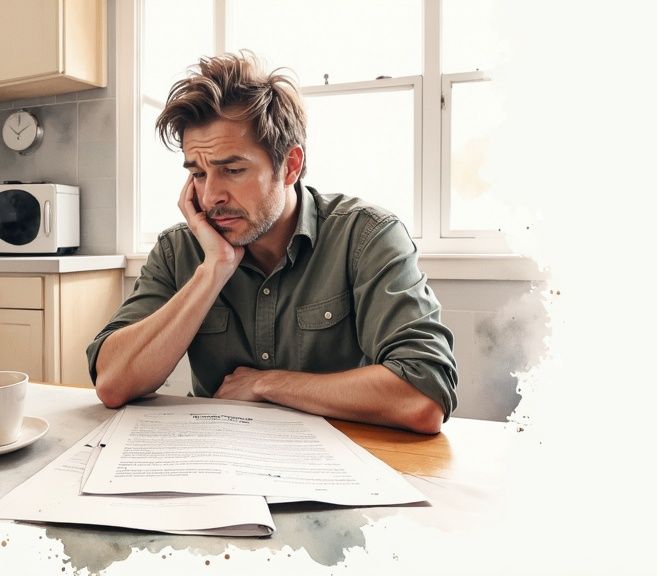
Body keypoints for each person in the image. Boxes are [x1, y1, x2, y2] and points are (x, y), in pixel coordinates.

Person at [86, 52, 457, 434]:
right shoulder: (177, 250)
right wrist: (212, 271)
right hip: (216, 463)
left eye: (232, 170)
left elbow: (423, 395)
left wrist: (267, 384)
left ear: (290, 166)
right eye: (198, 173)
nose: (211, 196)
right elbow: (113, 384)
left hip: (338, 465)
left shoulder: (366, 236)